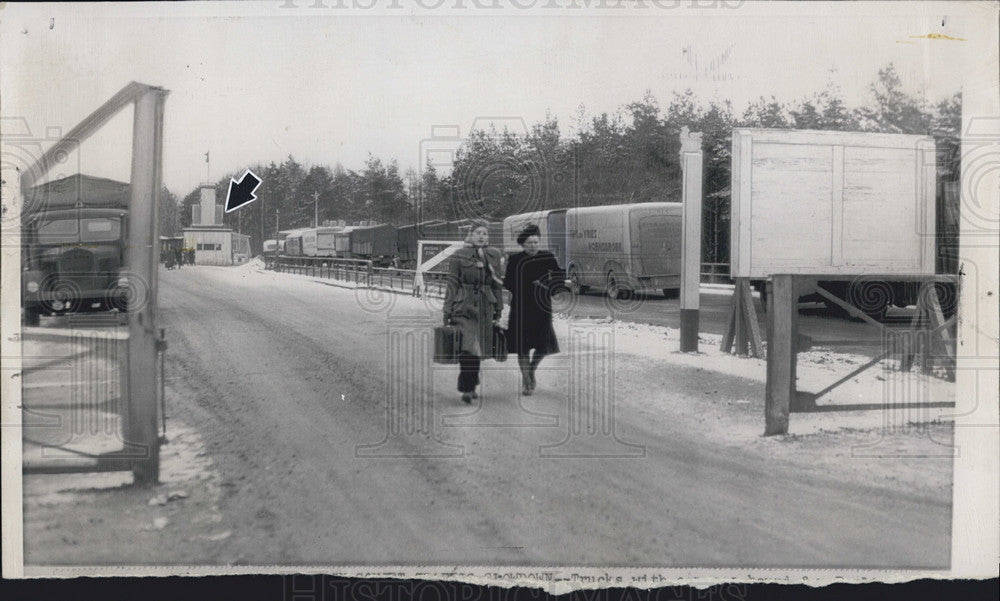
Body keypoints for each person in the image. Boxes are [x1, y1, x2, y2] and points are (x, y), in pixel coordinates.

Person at [442, 219, 504, 404]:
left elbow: (497, 285)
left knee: (478, 349)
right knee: (468, 346)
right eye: (478, 233)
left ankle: (471, 382)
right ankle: (467, 387)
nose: (481, 236)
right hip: (463, 307)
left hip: (485, 307)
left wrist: (499, 309)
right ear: (470, 235)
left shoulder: (493, 255)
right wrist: (447, 309)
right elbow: (452, 283)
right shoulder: (459, 255)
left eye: (485, 233)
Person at [503, 223, 561, 395]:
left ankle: (531, 370)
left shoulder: (548, 257)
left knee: (543, 346)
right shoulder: (515, 259)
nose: (533, 246)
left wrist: (547, 286)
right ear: (523, 244)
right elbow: (508, 283)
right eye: (529, 243)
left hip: (542, 308)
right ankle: (526, 380)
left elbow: (558, 278)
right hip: (521, 308)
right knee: (522, 347)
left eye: (536, 242)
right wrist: (526, 286)